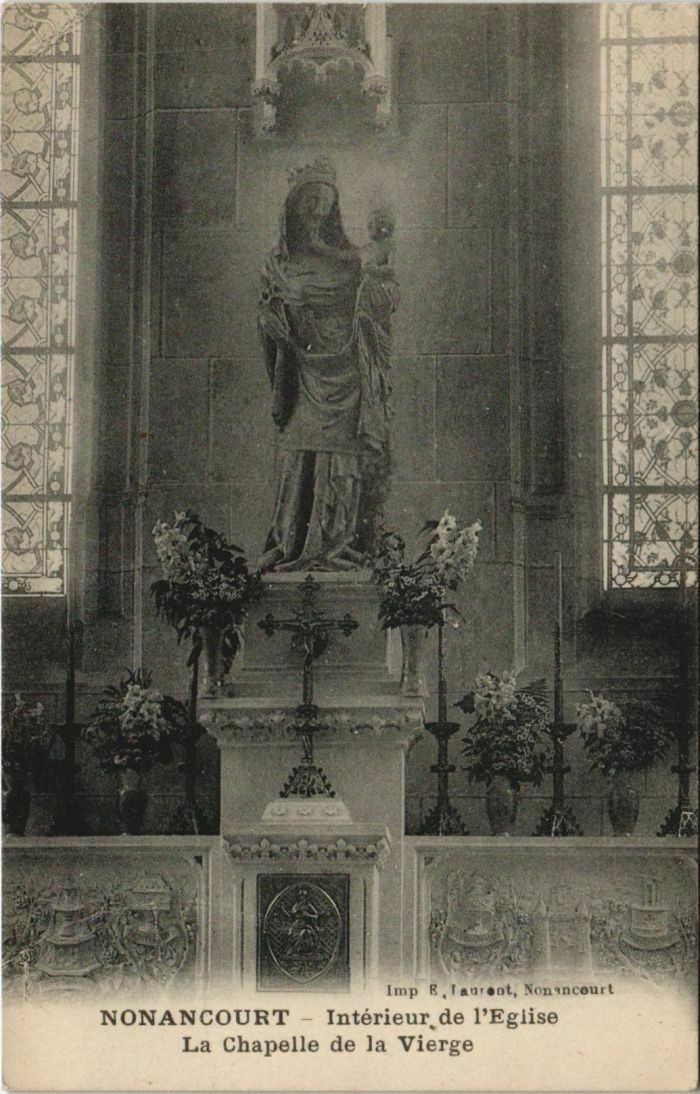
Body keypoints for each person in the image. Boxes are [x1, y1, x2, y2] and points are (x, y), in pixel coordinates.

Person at [258, 157, 399, 572]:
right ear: (292, 205)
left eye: (325, 201)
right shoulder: (278, 264)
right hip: (300, 371)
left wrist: (376, 285)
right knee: (297, 455)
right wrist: (271, 321)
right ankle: (291, 543)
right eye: (310, 200)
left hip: (346, 370)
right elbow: (267, 310)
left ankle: (335, 543)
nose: (317, 210)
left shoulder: (353, 260)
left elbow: (384, 299)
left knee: (342, 460)